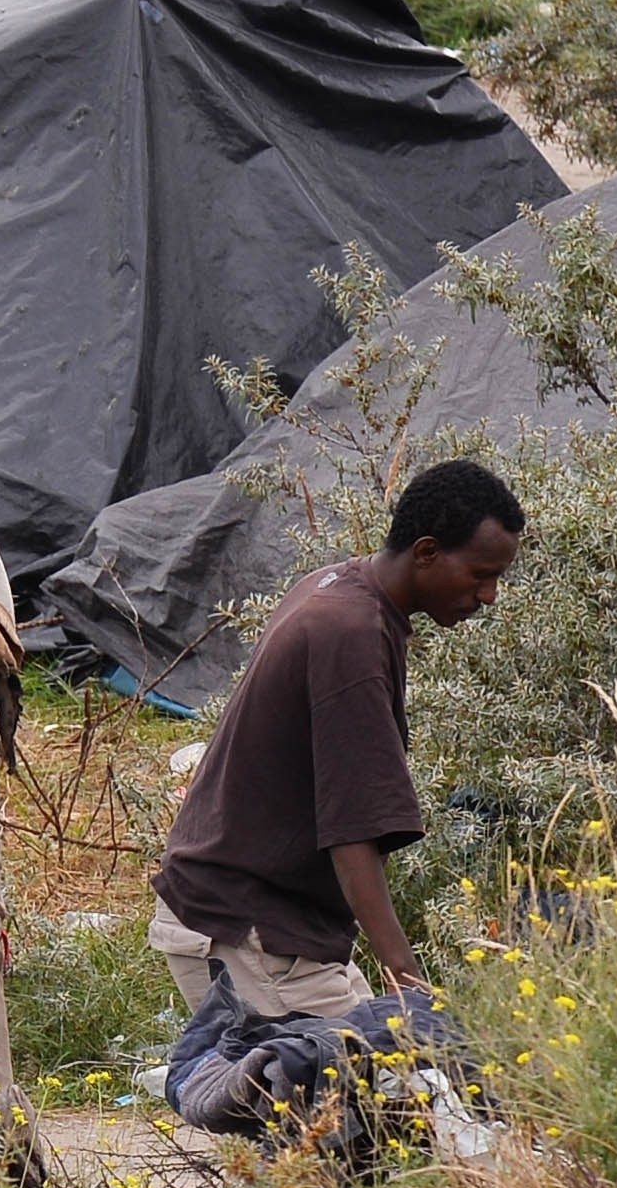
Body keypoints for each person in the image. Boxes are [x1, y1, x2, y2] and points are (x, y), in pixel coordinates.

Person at [149, 460, 525, 1140]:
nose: (489, 595)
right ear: (426, 553)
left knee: (388, 1099)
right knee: (344, 1125)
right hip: (247, 931)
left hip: (262, 920)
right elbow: (350, 832)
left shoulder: (342, 592)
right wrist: (408, 979)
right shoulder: (348, 632)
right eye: (479, 574)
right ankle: (237, 1171)